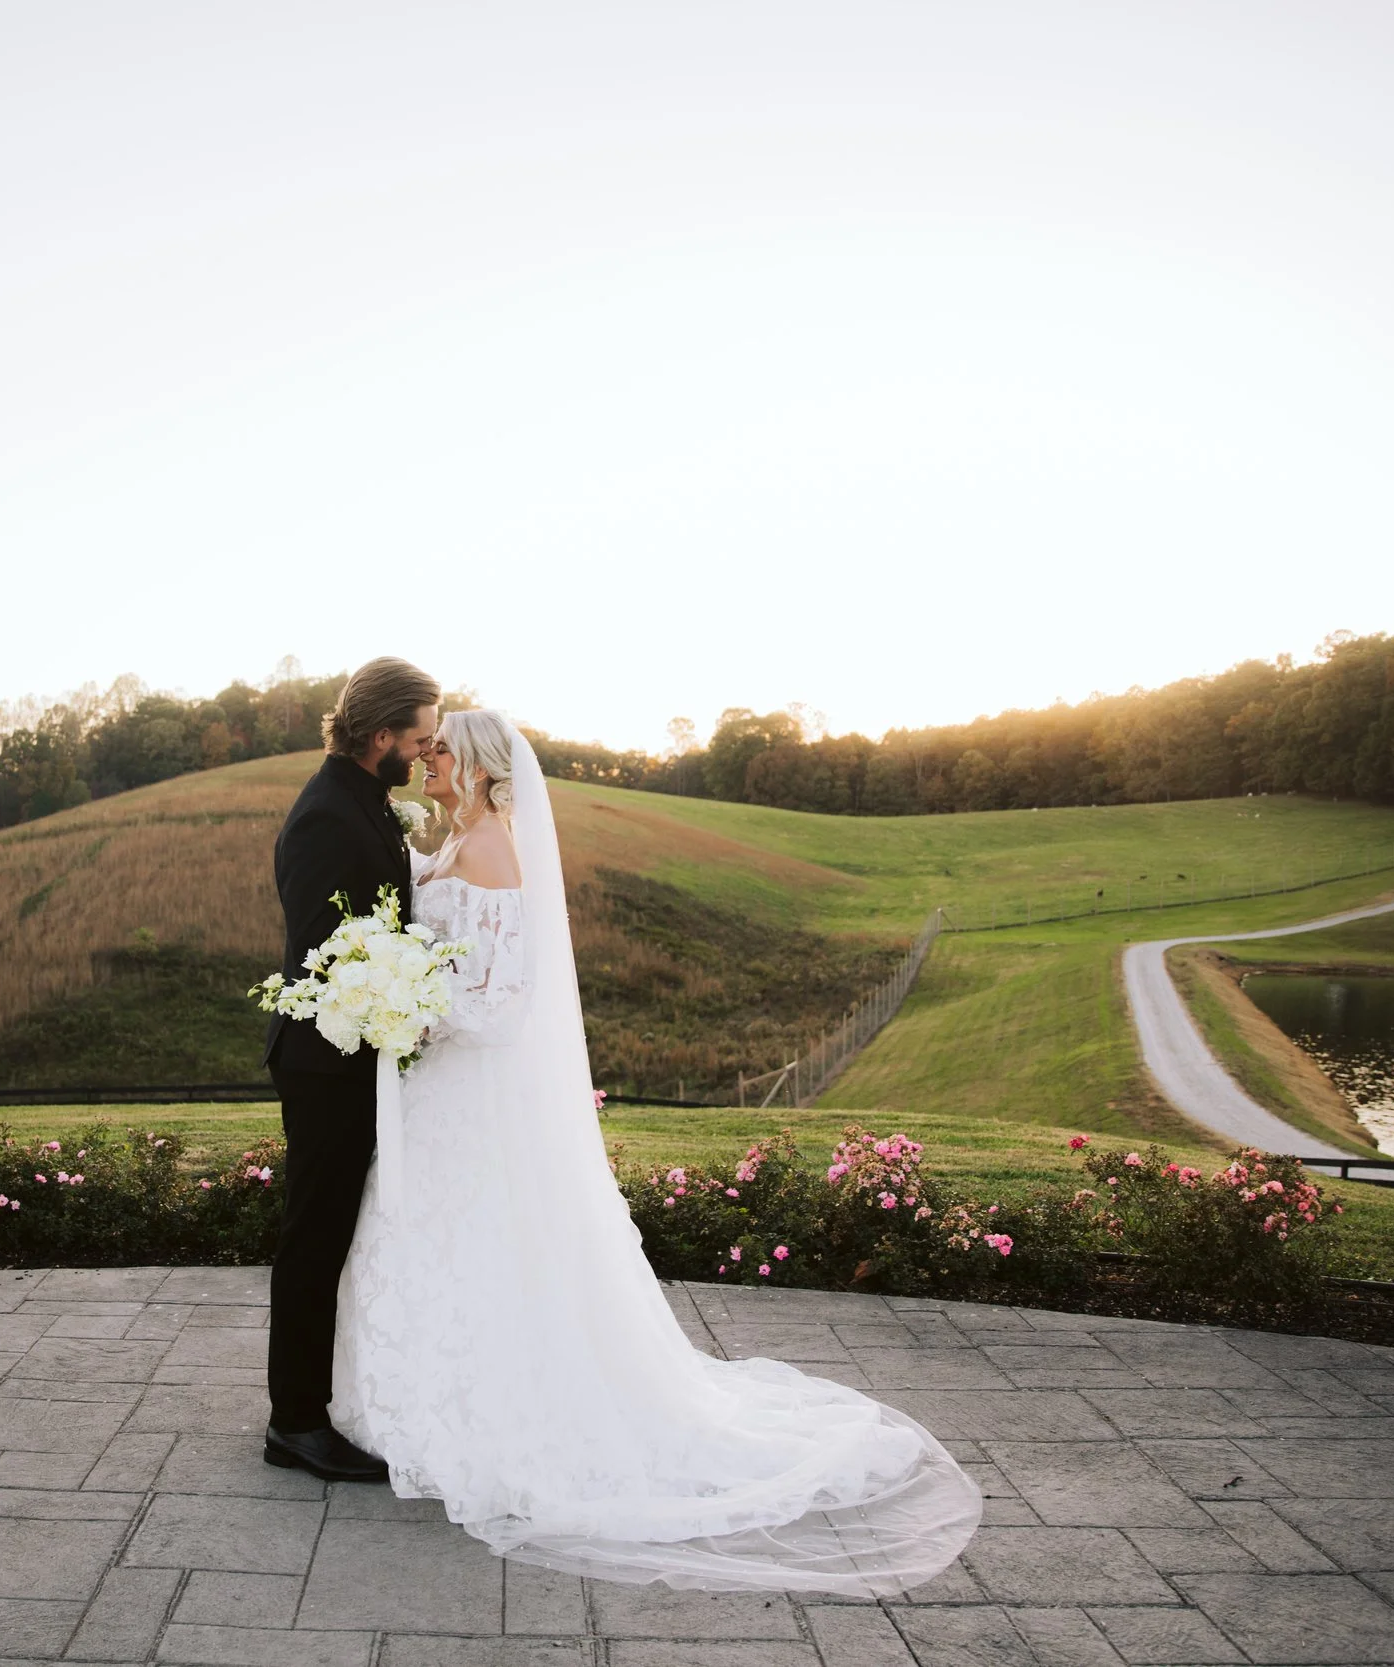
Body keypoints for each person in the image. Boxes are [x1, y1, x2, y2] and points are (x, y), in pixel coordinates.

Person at [323, 708, 981, 1595]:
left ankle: (491, 1415)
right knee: (431, 1239)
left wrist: (415, 1012)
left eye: (441, 750)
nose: (426, 760)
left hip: (469, 1086)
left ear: (477, 768)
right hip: (439, 1089)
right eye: (428, 747)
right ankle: (407, 1405)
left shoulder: (493, 851)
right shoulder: (454, 840)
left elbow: (507, 1001)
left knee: (488, 1242)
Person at [260, 656, 440, 1484]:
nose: (425, 751)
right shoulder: (326, 815)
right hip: (325, 1060)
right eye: (419, 738)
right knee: (314, 1237)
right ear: (381, 737)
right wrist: (389, 992)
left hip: (360, 1053)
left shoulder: (366, 800)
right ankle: (295, 1421)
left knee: (334, 1231)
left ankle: (319, 1402)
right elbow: (318, 951)